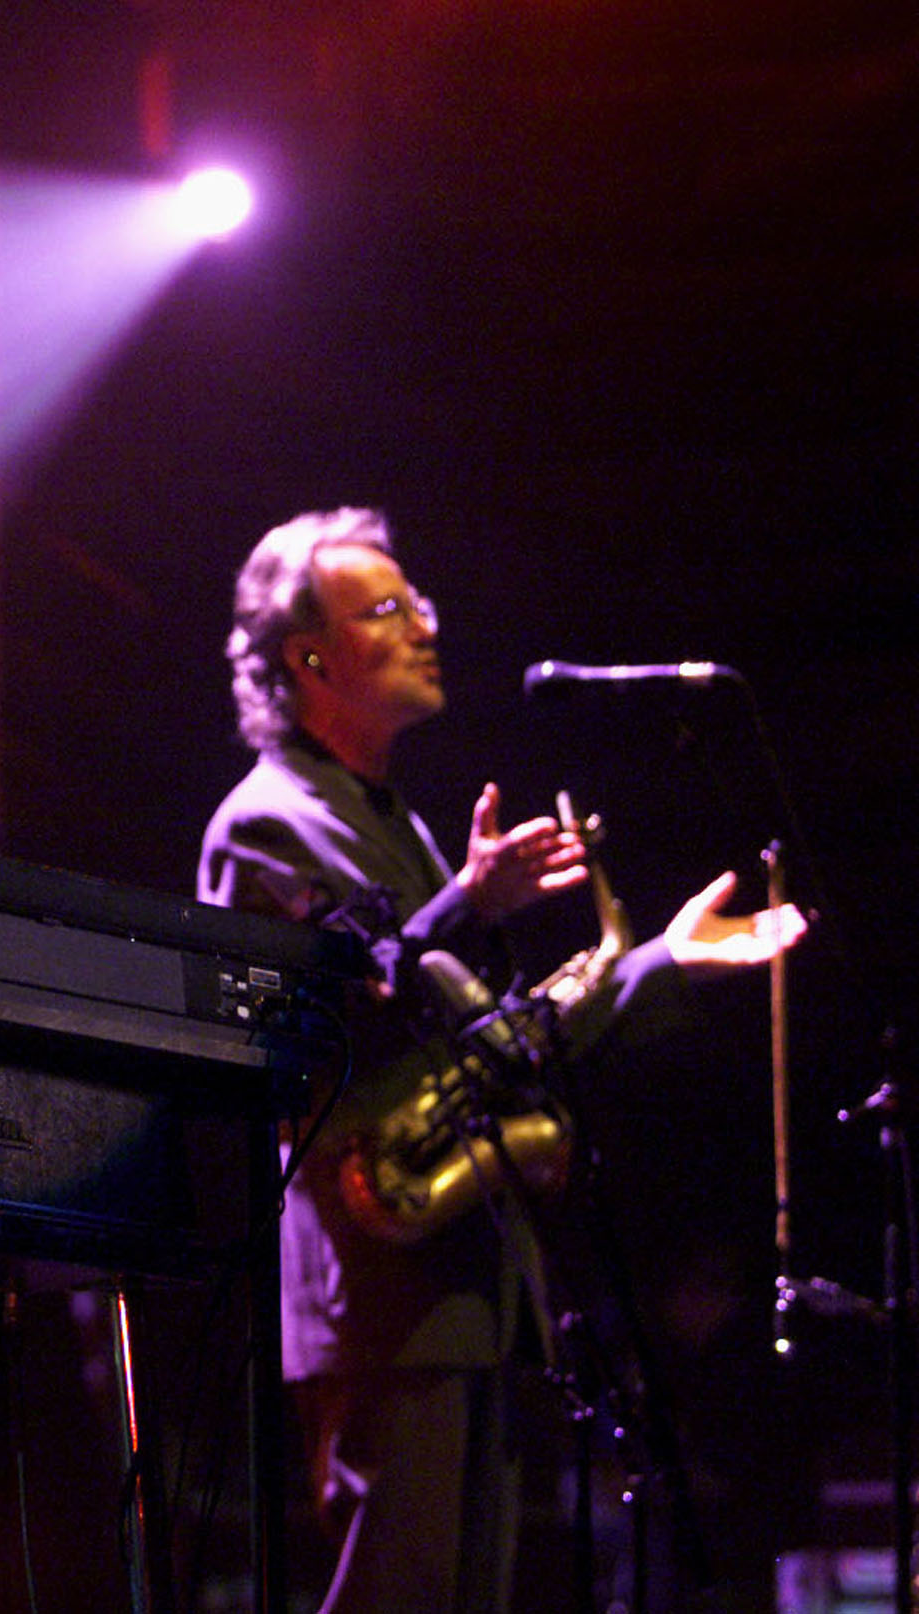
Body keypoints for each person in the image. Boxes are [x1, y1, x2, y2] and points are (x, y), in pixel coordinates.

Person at [196, 507, 805, 1614]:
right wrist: (463, 904)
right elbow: (314, 1015)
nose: (424, 623)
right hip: (379, 1285)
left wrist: (660, 963)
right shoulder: (263, 825)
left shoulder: (389, 824)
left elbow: (488, 1039)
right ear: (309, 657)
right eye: (386, 608)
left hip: (468, 1284)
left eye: (417, 601)